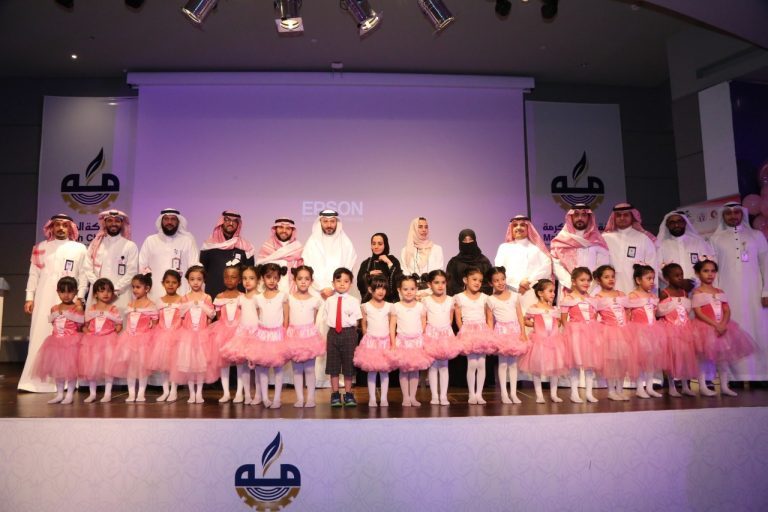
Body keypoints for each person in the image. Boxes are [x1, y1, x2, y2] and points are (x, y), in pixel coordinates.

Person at [22, 213, 88, 392]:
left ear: (70, 228)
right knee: (40, 334)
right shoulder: (40, 247)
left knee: (68, 339)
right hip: (43, 298)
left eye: (64, 225)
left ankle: (67, 381)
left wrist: (80, 297)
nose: (60, 228)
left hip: (69, 299)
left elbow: (83, 275)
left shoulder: (79, 248)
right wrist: (29, 297)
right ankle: (34, 381)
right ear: (51, 227)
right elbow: (33, 274)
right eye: (57, 225)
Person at [707, 201, 768, 380]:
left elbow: (766, 264)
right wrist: (715, 297)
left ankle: (762, 375)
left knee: (759, 330)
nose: (733, 216)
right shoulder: (715, 239)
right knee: (732, 331)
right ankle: (734, 377)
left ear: (742, 214)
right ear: (723, 216)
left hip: (755, 293)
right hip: (728, 294)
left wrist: (766, 291)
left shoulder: (756, 235)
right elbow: (713, 270)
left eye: (736, 212)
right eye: (728, 213)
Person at [691, 259, 756, 396]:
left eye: (713, 271)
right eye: (706, 271)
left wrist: (723, 324)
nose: (710, 274)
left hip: (723, 327)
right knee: (703, 359)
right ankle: (702, 386)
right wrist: (715, 325)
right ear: (698, 273)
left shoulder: (719, 291)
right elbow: (698, 312)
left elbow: (726, 310)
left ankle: (725, 386)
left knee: (723, 359)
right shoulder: (697, 292)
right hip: (705, 328)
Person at [31, 276, 83, 404]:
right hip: (56, 342)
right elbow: (53, 323)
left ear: (76, 292)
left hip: (71, 343)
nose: (66, 295)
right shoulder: (54, 308)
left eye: (70, 292)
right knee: (58, 371)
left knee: (71, 371)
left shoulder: (77, 308)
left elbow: (80, 325)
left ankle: (69, 394)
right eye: (62, 292)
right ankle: (59, 394)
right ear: (58, 292)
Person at [249, 263, 291, 409]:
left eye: (275, 277)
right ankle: (265, 398)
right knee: (262, 368)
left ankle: (277, 398)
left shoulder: (282, 296)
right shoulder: (258, 298)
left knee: (278, 368)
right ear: (262, 278)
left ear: (279, 278)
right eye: (268, 277)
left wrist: (284, 335)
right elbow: (257, 317)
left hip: (277, 335)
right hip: (262, 336)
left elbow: (286, 318)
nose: (272, 280)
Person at [111, 274, 157, 403]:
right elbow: (129, 322)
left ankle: (141, 393)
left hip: (143, 340)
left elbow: (154, 325)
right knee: (130, 367)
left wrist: (150, 338)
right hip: (129, 339)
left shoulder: (151, 305)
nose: (135, 290)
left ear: (147, 288)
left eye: (138, 287)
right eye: (133, 287)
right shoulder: (131, 304)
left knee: (142, 367)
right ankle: (131, 393)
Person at [220, 265, 262, 405]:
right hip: (243, 334)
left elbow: (260, 316)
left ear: (258, 280)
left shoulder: (260, 297)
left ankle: (258, 395)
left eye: (251, 278)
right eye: (244, 278)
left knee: (257, 366)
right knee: (242, 364)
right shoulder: (241, 298)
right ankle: (247, 395)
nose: (247, 281)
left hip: (256, 333)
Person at [486, 267, 529, 404]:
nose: (500, 283)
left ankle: (513, 393)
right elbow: (490, 320)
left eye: (502, 279)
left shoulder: (515, 296)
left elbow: (520, 316)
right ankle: (504, 393)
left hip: (514, 331)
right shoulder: (490, 300)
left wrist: (523, 332)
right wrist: (491, 337)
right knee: (503, 363)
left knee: (513, 364)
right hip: (501, 333)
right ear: (490, 283)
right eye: (496, 280)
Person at [519, 279, 566, 403]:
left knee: (555, 367)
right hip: (539, 341)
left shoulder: (554, 309)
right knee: (537, 368)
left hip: (554, 341)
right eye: (550, 291)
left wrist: (556, 324)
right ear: (540, 293)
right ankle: (539, 395)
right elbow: (525, 320)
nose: (553, 294)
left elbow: (558, 321)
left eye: (554, 291)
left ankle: (554, 394)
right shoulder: (534, 308)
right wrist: (534, 324)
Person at [455, 267, 496, 405]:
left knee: (482, 363)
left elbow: (489, 318)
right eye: (474, 279)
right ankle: (471, 394)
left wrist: (490, 334)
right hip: (468, 331)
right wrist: (463, 332)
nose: (477, 283)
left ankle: (479, 394)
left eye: (480, 280)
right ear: (465, 280)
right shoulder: (459, 297)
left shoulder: (485, 298)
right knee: (472, 364)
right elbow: (458, 319)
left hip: (482, 331)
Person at [559, 267, 602, 403]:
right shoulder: (569, 298)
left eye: (588, 280)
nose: (586, 283)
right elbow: (563, 319)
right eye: (582, 280)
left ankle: (589, 393)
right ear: (574, 281)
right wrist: (569, 334)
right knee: (575, 363)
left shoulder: (592, 299)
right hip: (575, 334)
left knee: (590, 363)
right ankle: (574, 393)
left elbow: (594, 316)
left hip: (591, 333)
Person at [138, 208, 199, 302]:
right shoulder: (150, 241)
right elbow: (142, 265)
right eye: (166, 219)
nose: (169, 222)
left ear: (178, 222)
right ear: (161, 221)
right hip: (155, 291)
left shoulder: (187, 241)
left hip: (181, 291)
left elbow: (194, 268)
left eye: (173, 219)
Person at [353, 274, 396, 408]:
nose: (381, 291)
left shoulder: (390, 306)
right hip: (371, 343)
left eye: (383, 288)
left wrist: (392, 343)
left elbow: (391, 327)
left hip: (385, 342)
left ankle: (383, 398)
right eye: (377, 288)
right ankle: (372, 398)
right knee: (371, 371)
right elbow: (364, 325)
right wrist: (366, 340)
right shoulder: (365, 306)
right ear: (370, 289)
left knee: (384, 371)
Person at [285, 266, 325, 408]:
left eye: (306, 279)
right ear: (294, 280)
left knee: (309, 369)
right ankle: (300, 398)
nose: (303, 282)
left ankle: (311, 398)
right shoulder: (289, 298)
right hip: (294, 336)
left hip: (309, 337)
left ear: (311, 281)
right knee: (296, 370)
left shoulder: (315, 300)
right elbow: (286, 318)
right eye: (300, 278)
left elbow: (314, 320)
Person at [390, 275, 432, 407]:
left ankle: (413, 397)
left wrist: (420, 337)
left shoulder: (420, 306)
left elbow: (424, 322)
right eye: (405, 289)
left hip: (416, 343)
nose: (409, 292)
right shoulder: (396, 306)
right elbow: (392, 326)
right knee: (404, 370)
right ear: (399, 290)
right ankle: (406, 397)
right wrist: (393, 343)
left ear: (416, 289)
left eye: (412, 289)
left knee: (414, 370)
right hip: (402, 342)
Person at [626, 264, 667, 399]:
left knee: (651, 360)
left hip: (653, 331)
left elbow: (654, 314)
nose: (652, 281)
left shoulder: (653, 296)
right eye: (648, 278)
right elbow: (627, 314)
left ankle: (649, 387)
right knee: (640, 360)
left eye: (653, 278)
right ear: (638, 280)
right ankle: (640, 387)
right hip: (638, 332)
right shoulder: (633, 295)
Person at [494, 215, 552, 310]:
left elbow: (547, 267)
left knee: (532, 317)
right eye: (515, 225)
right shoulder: (504, 248)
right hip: (510, 291)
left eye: (522, 225)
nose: (518, 228)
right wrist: (518, 284)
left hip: (532, 291)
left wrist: (528, 281)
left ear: (528, 228)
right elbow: (499, 270)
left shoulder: (537, 248)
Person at [79, 277, 122, 403]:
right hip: (93, 341)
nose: (105, 293)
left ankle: (107, 393)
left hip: (108, 341)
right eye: (102, 291)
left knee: (109, 367)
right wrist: (88, 333)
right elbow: (85, 325)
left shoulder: (113, 309)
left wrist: (113, 333)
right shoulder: (91, 309)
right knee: (92, 367)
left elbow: (119, 325)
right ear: (95, 294)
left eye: (108, 291)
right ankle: (92, 393)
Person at [83, 209, 138, 309]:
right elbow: (87, 267)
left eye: (117, 221)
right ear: (104, 223)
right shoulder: (95, 244)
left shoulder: (130, 246)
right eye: (110, 221)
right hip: (97, 293)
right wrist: (99, 287)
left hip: (120, 295)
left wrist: (114, 290)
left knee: (120, 318)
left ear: (122, 223)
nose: (113, 224)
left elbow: (132, 272)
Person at [657, 263, 698, 398]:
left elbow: (686, 310)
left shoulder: (684, 292)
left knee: (685, 357)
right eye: (676, 275)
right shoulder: (665, 293)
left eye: (681, 275)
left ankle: (685, 386)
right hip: (670, 330)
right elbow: (660, 312)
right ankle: (672, 386)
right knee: (671, 358)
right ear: (667, 278)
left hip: (685, 329)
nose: (680, 278)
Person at [176, 265, 215, 404]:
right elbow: (181, 315)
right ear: (188, 280)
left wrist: (203, 307)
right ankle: (191, 393)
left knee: (200, 366)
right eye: (192, 279)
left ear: (203, 280)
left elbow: (211, 315)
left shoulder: (207, 297)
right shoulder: (184, 298)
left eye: (199, 279)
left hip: (202, 336)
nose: (196, 282)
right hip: (188, 336)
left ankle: (199, 393)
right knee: (189, 366)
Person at [323, 267, 361, 408]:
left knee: (348, 365)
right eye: (338, 281)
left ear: (351, 284)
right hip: (333, 333)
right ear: (333, 283)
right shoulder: (329, 301)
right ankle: (335, 394)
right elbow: (326, 317)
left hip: (349, 333)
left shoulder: (354, 301)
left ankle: (348, 393)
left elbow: (356, 320)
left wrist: (349, 324)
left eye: (346, 281)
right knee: (333, 365)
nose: (342, 284)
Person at [551, 204, 609, 294]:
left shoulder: (597, 240)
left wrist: (589, 284)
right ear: (571, 217)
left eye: (584, 215)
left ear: (589, 217)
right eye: (576, 215)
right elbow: (556, 265)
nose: (580, 218)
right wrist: (571, 283)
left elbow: (602, 266)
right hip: (569, 288)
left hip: (593, 289)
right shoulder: (561, 240)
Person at [422, 270, 461, 406]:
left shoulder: (451, 300)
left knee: (444, 366)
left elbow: (450, 319)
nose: (440, 285)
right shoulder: (425, 300)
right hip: (431, 334)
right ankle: (434, 395)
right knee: (433, 366)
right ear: (429, 284)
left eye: (443, 282)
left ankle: (443, 396)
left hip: (445, 335)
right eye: (436, 282)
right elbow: (423, 319)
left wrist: (445, 331)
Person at [593, 265, 631, 401]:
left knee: (622, 361)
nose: (611, 279)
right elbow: (593, 316)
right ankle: (611, 390)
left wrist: (627, 326)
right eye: (606, 277)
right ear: (599, 280)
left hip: (623, 332)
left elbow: (628, 311)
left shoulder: (621, 294)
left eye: (613, 277)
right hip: (609, 333)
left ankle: (620, 389)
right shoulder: (598, 297)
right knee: (611, 362)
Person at [603, 203, 658, 294]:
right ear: (614, 217)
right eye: (618, 215)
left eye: (626, 215)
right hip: (609, 292)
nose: (622, 218)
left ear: (632, 216)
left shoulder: (643, 239)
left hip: (637, 292)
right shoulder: (605, 238)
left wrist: (651, 293)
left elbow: (652, 267)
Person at [147, 270, 184, 403]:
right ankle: (165, 391)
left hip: (177, 335)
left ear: (179, 284)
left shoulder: (182, 300)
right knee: (163, 365)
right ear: (163, 283)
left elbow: (184, 318)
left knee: (174, 364)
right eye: (167, 282)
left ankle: (173, 390)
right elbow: (156, 320)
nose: (170, 285)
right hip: (161, 335)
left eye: (174, 282)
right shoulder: (159, 301)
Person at [200, 210, 255, 298]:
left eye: (234, 221)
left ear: (238, 224)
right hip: (213, 294)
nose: (231, 223)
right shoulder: (209, 245)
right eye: (227, 220)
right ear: (221, 222)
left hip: (238, 297)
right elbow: (202, 270)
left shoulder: (246, 248)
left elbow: (249, 273)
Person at [656, 210, 715, 291]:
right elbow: (657, 268)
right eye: (672, 222)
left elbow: (708, 265)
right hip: (671, 290)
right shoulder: (661, 245)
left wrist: (694, 282)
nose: (676, 225)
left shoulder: (698, 243)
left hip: (697, 289)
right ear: (667, 225)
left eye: (679, 221)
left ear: (685, 223)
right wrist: (675, 282)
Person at [209, 266, 243, 403]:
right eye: (227, 277)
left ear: (239, 280)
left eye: (233, 277)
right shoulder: (219, 297)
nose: (229, 280)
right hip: (223, 332)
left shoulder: (242, 297)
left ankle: (239, 392)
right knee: (223, 363)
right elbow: (218, 316)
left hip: (238, 333)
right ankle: (226, 392)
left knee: (240, 362)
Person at [257, 218, 304, 293]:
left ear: (292, 231)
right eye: (281, 227)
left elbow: (302, 271)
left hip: (292, 292)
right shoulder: (267, 247)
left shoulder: (298, 247)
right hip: (271, 293)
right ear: (275, 229)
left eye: (288, 228)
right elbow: (260, 270)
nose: (284, 231)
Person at [357, 232, 402, 303]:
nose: (376, 246)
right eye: (373, 244)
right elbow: (359, 284)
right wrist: (368, 274)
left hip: (390, 303)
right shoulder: (366, 263)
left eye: (380, 244)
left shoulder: (392, 260)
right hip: (370, 304)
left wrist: (389, 263)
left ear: (385, 245)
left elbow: (399, 281)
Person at [446, 229, 493, 296]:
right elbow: (450, 285)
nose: (468, 243)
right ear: (460, 242)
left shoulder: (484, 261)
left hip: (481, 299)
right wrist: (464, 294)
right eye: (464, 240)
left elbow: (489, 283)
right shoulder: (454, 262)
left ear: (475, 241)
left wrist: (476, 294)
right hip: (459, 299)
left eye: (470, 240)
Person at [400, 217, 444, 286]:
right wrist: (411, 278)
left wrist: (430, 277)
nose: (424, 230)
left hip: (432, 289)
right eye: (420, 227)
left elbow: (439, 270)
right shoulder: (405, 250)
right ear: (414, 229)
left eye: (426, 227)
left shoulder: (437, 249)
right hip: (412, 289)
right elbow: (404, 270)